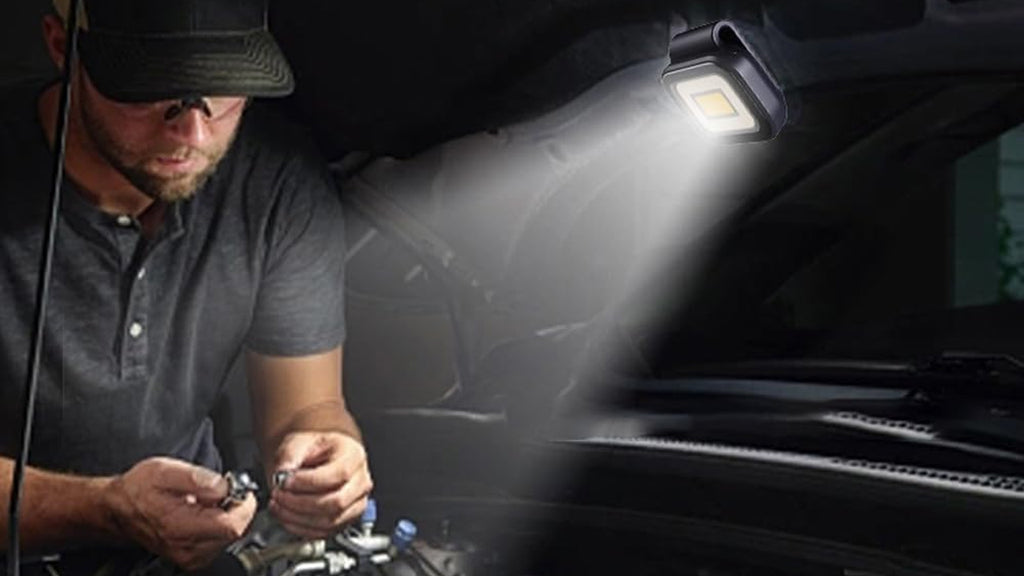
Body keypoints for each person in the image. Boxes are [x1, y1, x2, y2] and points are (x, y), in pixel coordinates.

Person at [0, 0, 372, 571]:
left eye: (222, 87)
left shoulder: (279, 183)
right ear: (61, 47)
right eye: (150, 90)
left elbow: (309, 408)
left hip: (183, 550)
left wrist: (326, 455)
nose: (193, 132)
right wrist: (105, 507)